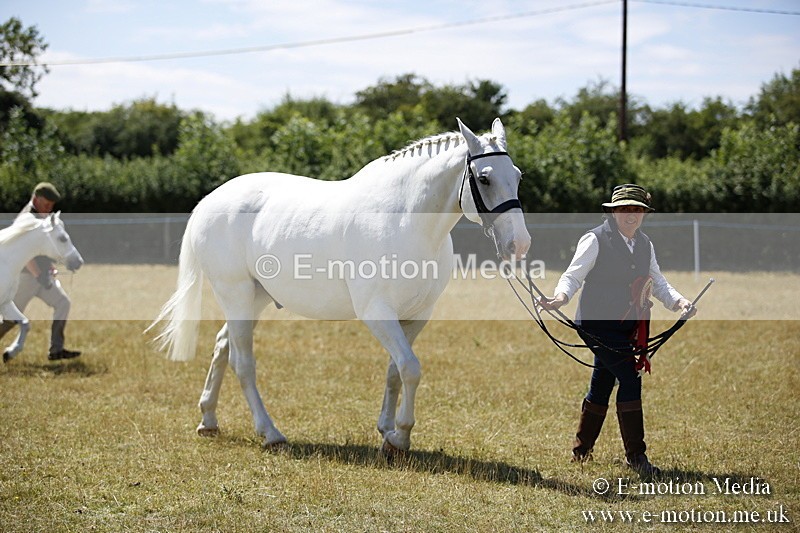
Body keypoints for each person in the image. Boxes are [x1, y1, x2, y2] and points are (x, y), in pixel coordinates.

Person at [540, 184, 696, 477]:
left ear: (644, 214)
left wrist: (679, 302)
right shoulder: (594, 239)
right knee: (629, 376)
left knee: (602, 382)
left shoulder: (645, 244)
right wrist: (559, 298)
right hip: (596, 326)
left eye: (637, 210)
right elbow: (573, 276)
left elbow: (657, 281)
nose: (631, 215)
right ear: (613, 212)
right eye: (625, 209)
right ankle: (637, 457)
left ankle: (581, 451)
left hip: (625, 325)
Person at [0, 182, 81, 361]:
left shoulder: (44, 218)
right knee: (10, 318)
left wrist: (49, 268)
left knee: (62, 303)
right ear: (36, 199)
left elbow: (45, 247)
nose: (49, 208)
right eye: (46, 204)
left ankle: (56, 349)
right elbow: (23, 254)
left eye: (52, 206)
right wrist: (38, 274)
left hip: (42, 277)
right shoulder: (26, 218)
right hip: (25, 278)